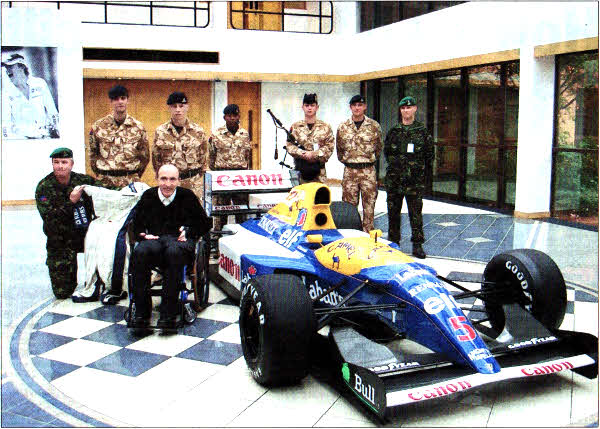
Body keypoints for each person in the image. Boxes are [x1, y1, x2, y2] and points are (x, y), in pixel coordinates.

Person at [129, 164, 211, 335]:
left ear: (178, 180)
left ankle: (169, 313)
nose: (167, 184)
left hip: (178, 242)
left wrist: (189, 231)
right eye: (163, 179)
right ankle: (142, 313)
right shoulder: (149, 196)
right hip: (155, 240)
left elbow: (204, 223)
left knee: (174, 253)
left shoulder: (187, 196)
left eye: (172, 179)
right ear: (157, 179)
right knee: (139, 252)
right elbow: (136, 223)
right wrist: (142, 234)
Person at [35, 147, 105, 299]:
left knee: (105, 244)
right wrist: (71, 202)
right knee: (62, 293)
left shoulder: (83, 181)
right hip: (59, 238)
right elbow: (50, 220)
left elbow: (106, 191)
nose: (60, 166)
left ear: (71, 164)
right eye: (56, 162)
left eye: (64, 162)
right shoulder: (44, 187)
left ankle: (101, 280)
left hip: (83, 233)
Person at [384, 96, 434, 259]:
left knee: (415, 214)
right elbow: (387, 153)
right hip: (395, 181)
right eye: (403, 108)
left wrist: (420, 176)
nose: (406, 110)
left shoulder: (422, 132)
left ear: (415, 109)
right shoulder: (394, 132)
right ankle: (394, 243)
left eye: (409, 107)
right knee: (393, 214)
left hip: (414, 182)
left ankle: (417, 245)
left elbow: (429, 156)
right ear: (400, 110)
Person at [336, 94, 382, 232]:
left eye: (360, 105)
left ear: (365, 107)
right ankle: (352, 234)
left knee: (369, 206)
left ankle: (368, 235)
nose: (357, 108)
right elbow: (339, 150)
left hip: (368, 171)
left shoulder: (374, 126)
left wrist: (367, 160)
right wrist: (349, 161)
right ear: (350, 107)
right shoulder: (343, 127)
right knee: (349, 207)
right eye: (354, 105)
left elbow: (378, 148)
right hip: (350, 171)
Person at [88, 85, 149, 188]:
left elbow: (144, 156)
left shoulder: (138, 127)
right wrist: (102, 173)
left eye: (123, 98)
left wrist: (134, 174)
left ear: (127, 101)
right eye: (116, 99)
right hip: (105, 181)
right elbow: (93, 154)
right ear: (111, 102)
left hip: (130, 180)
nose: (120, 102)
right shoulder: (98, 126)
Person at [152, 91, 209, 203]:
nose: (178, 109)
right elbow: (156, 160)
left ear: (187, 107)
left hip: (193, 183)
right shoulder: (161, 132)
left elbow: (204, 160)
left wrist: (197, 180)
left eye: (181, 106)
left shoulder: (198, 132)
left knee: (193, 217)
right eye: (174, 106)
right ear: (169, 108)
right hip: (169, 185)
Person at [209, 103, 252, 229]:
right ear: (224, 117)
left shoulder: (244, 134)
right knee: (221, 210)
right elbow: (212, 156)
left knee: (241, 210)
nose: (232, 118)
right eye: (229, 116)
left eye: (235, 115)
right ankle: (218, 238)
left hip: (240, 176)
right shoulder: (216, 134)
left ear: (239, 116)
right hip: (223, 176)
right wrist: (217, 172)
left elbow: (247, 155)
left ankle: (241, 235)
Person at [1, 53, 59, 139]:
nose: (7, 70)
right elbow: (5, 124)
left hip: (44, 136)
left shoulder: (40, 83)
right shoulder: (6, 93)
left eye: (10, 66)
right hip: (21, 140)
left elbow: (52, 112)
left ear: (21, 67)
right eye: (6, 67)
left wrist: (57, 131)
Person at [285, 93, 334, 183]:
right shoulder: (295, 127)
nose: (309, 108)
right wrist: (302, 153)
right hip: (300, 172)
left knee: (319, 196)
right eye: (307, 105)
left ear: (317, 107)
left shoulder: (325, 127)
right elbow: (289, 146)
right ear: (302, 107)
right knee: (301, 196)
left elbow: (329, 147)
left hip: (319, 174)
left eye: (312, 105)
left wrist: (314, 154)